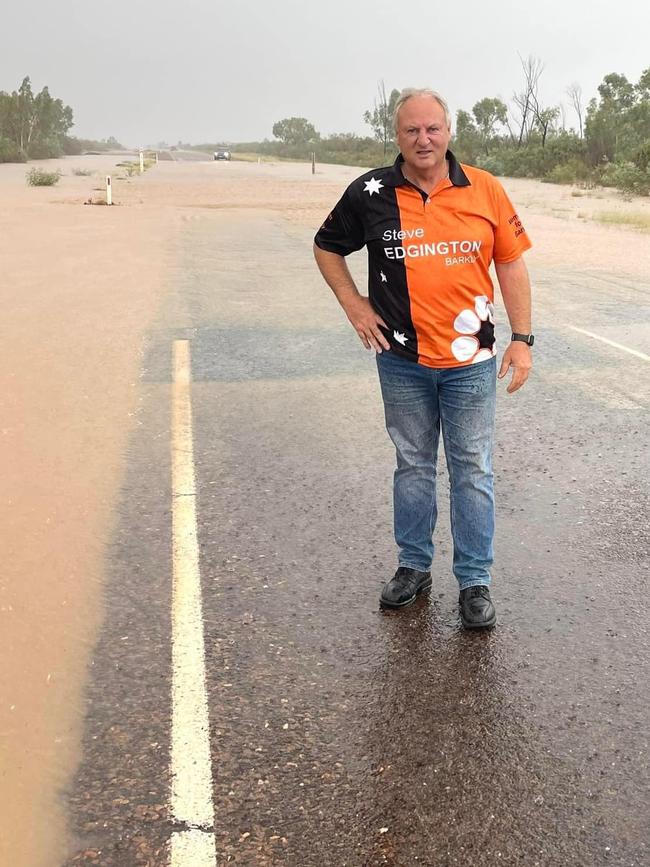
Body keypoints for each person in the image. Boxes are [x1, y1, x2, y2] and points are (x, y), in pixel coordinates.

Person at [313, 88, 534, 630]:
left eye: (432, 128)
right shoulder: (370, 193)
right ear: (397, 136)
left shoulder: (485, 189)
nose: (423, 139)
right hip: (402, 359)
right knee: (412, 465)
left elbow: (510, 265)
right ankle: (413, 567)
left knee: (472, 469)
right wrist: (354, 306)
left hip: (471, 360)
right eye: (412, 130)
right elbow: (326, 245)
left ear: (449, 131)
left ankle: (475, 580)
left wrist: (523, 338)